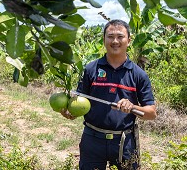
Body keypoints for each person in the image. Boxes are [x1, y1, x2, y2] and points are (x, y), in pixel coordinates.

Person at [61, 19, 157, 170]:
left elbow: (151, 113)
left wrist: (132, 107)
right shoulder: (91, 69)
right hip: (92, 139)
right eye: (110, 36)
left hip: (124, 143)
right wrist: (70, 112)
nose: (115, 41)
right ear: (104, 39)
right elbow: (79, 101)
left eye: (120, 36)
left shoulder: (138, 75)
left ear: (129, 40)